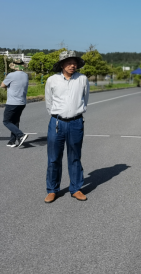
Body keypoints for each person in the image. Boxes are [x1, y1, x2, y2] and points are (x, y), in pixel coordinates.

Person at [44, 51, 90, 204]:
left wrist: (75, 113)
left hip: (76, 122)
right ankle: (52, 190)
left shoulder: (82, 79)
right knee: (53, 158)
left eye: (74, 63)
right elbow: (49, 102)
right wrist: (58, 115)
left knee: (75, 156)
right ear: (62, 64)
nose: (72, 65)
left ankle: (76, 188)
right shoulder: (52, 80)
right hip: (57, 123)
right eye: (69, 62)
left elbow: (85, 99)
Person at [1, 58, 30, 148]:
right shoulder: (25, 75)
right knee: (15, 121)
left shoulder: (11, 75)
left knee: (6, 121)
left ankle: (21, 135)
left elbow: (2, 85)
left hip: (12, 102)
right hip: (22, 102)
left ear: (14, 66)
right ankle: (12, 141)